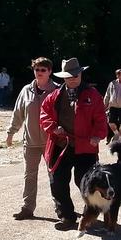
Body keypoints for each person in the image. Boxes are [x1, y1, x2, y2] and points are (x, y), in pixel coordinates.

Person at [40, 58, 107, 230]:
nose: (72, 78)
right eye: (69, 76)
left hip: (85, 147)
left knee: (86, 183)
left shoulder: (93, 95)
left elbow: (101, 119)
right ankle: (67, 217)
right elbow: (44, 115)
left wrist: (97, 136)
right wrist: (54, 128)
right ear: (63, 77)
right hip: (61, 145)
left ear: (81, 74)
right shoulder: (54, 96)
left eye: (75, 75)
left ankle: (89, 216)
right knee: (58, 182)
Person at [7, 57, 58, 220]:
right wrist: (11, 132)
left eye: (43, 70)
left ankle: (60, 207)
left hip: (52, 142)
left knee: (55, 176)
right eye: (37, 69)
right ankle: (27, 208)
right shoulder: (26, 90)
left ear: (50, 71)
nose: (40, 72)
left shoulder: (57, 90)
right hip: (30, 142)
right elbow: (18, 113)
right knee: (29, 175)